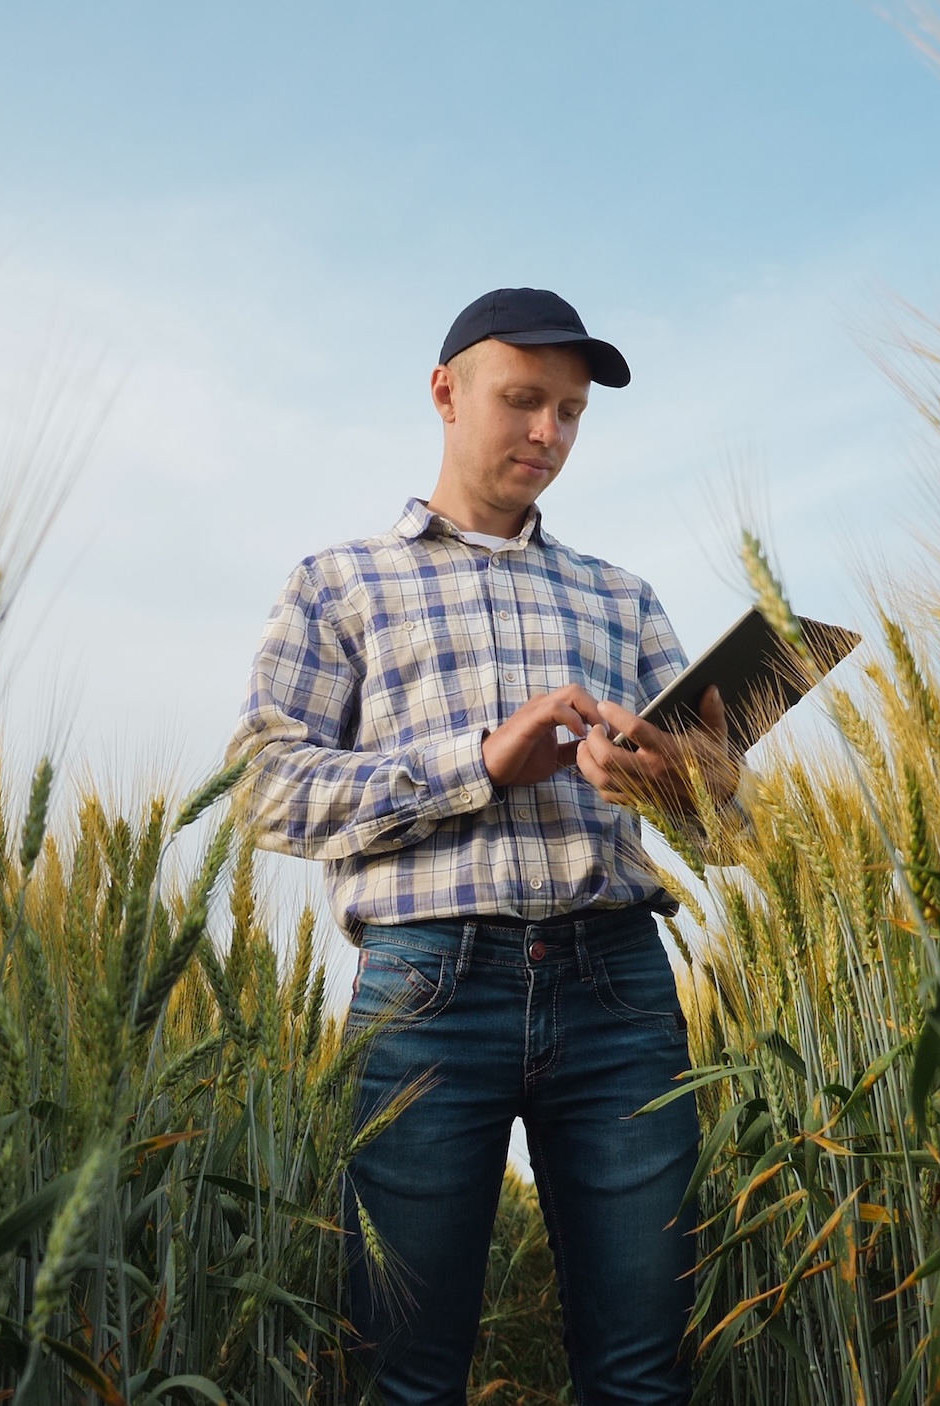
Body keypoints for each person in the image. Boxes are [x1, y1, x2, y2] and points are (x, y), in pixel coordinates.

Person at [225, 287, 739, 1405]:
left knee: (645, 1365)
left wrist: (674, 785)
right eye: (522, 401)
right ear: (445, 392)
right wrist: (480, 762)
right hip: (427, 988)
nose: (547, 434)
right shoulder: (339, 582)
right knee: (405, 1368)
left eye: (569, 412)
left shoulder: (623, 598)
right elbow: (264, 790)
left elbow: (733, 826)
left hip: (618, 987)